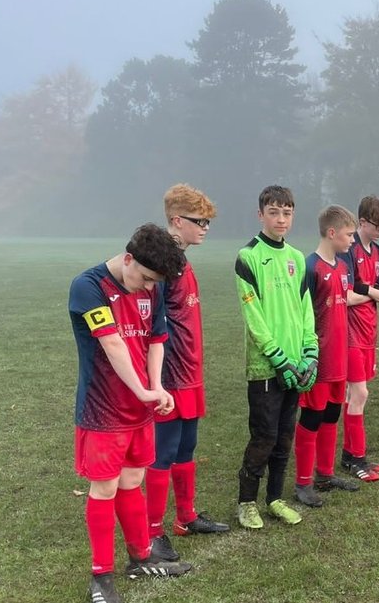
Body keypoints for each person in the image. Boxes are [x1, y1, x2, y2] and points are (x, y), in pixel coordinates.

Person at [68, 223, 191, 603]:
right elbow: (112, 344)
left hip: (139, 409)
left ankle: (140, 557)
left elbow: (156, 341)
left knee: (132, 480)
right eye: (147, 278)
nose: (150, 288)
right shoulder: (87, 287)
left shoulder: (149, 289)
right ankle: (100, 577)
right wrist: (142, 391)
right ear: (127, 259)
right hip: (103, 409)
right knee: (104, 487)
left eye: (156, 282)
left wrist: (154, 389)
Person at [145, 185, 228, 567]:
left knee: (187, 446)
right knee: (162, 452)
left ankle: (186, 517)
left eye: (208, 221)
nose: (206, 228)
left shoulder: (183, 259)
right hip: (171, 374)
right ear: (177, 221)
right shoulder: (160, 264)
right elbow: (153, 325)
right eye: (200, 221)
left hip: (191, 371)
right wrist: (157, 379)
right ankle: (152, 532)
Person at [233, 185, 317, 530]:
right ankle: (247, 502)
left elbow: (306, 310)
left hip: (297, 365)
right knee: (264, 435)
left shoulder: (297, 258)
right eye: (274, 212)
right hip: (266, 367)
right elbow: (254, 317)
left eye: (287, 213)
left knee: (285, 436)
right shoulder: (248, 257)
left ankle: (275, 498)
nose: (281, 219)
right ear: (260, 215)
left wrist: (309, 352)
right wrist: (278, 358)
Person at [294, 205, 364, 508]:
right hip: (318, 360)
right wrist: (306, 356)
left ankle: (325, 473)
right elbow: (300, 317)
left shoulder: (343, 267)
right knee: (311, 417)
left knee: (332, 415)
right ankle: (303, 483)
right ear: (332, 233)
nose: (352, 240)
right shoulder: (309, 267)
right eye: (349, 235)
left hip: (340, 357)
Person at [339, 196, 379, 482]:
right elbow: (345, 297)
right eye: (378, 225)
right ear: (362, 222)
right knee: (359, 394)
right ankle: (357, 458)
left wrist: (367, 289)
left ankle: (349, 455)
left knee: (354, 395)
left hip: (369, 332)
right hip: (348, 333)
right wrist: (372, 291)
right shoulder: (348, 250)